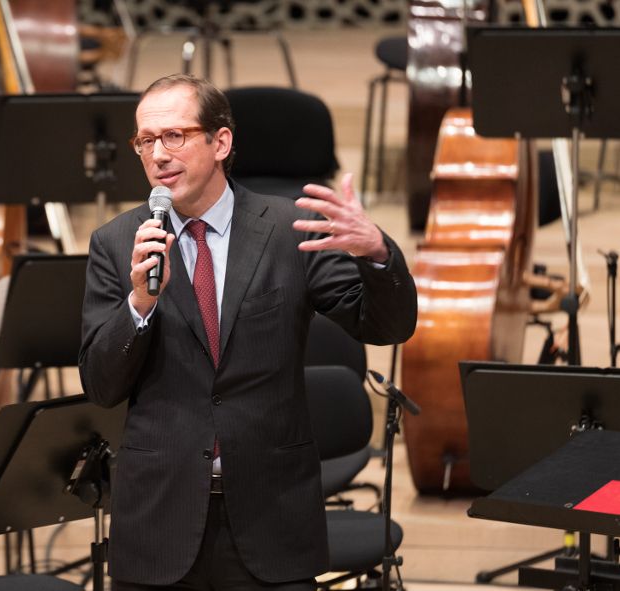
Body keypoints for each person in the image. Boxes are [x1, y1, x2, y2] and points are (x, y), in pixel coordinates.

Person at [79, 74, 417, 591]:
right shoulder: (117, 242)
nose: (158, 155)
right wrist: (139, 305)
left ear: (221, 142)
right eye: (146, 141)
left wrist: (376, 255)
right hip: (159, 521)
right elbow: (101, 385)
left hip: (271, 517)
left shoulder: (288, 230)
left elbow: (386, 326)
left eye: (175, 136)